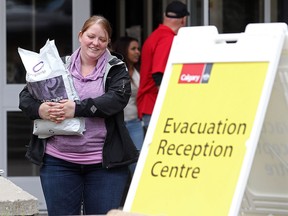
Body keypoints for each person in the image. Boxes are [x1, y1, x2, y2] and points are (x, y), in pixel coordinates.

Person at [18, 15, 139, 215]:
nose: (95, 43)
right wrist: (41, 110)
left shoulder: (116, 68)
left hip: (104, 165)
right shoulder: (59, 65)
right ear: (81, 36)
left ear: (108, 42)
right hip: (58, 162)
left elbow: (116, 99)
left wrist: (75, 108)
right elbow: (25, 97)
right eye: (91, 36)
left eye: (102, 39)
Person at [137, 1, 190, 132]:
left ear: (164, 16)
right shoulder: (168, 38)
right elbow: (158, 74)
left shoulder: (156, 36)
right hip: (155, 106)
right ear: (183, 20)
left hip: (148, 105)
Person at [112, 36, 144, 174]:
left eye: (138, 49)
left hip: (135, 123)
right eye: (133, 49)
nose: (137, 52)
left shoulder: (138, 71)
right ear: (124, 50)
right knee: (118, 165)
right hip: (118, 125)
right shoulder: (116, 71)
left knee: (138, 165)